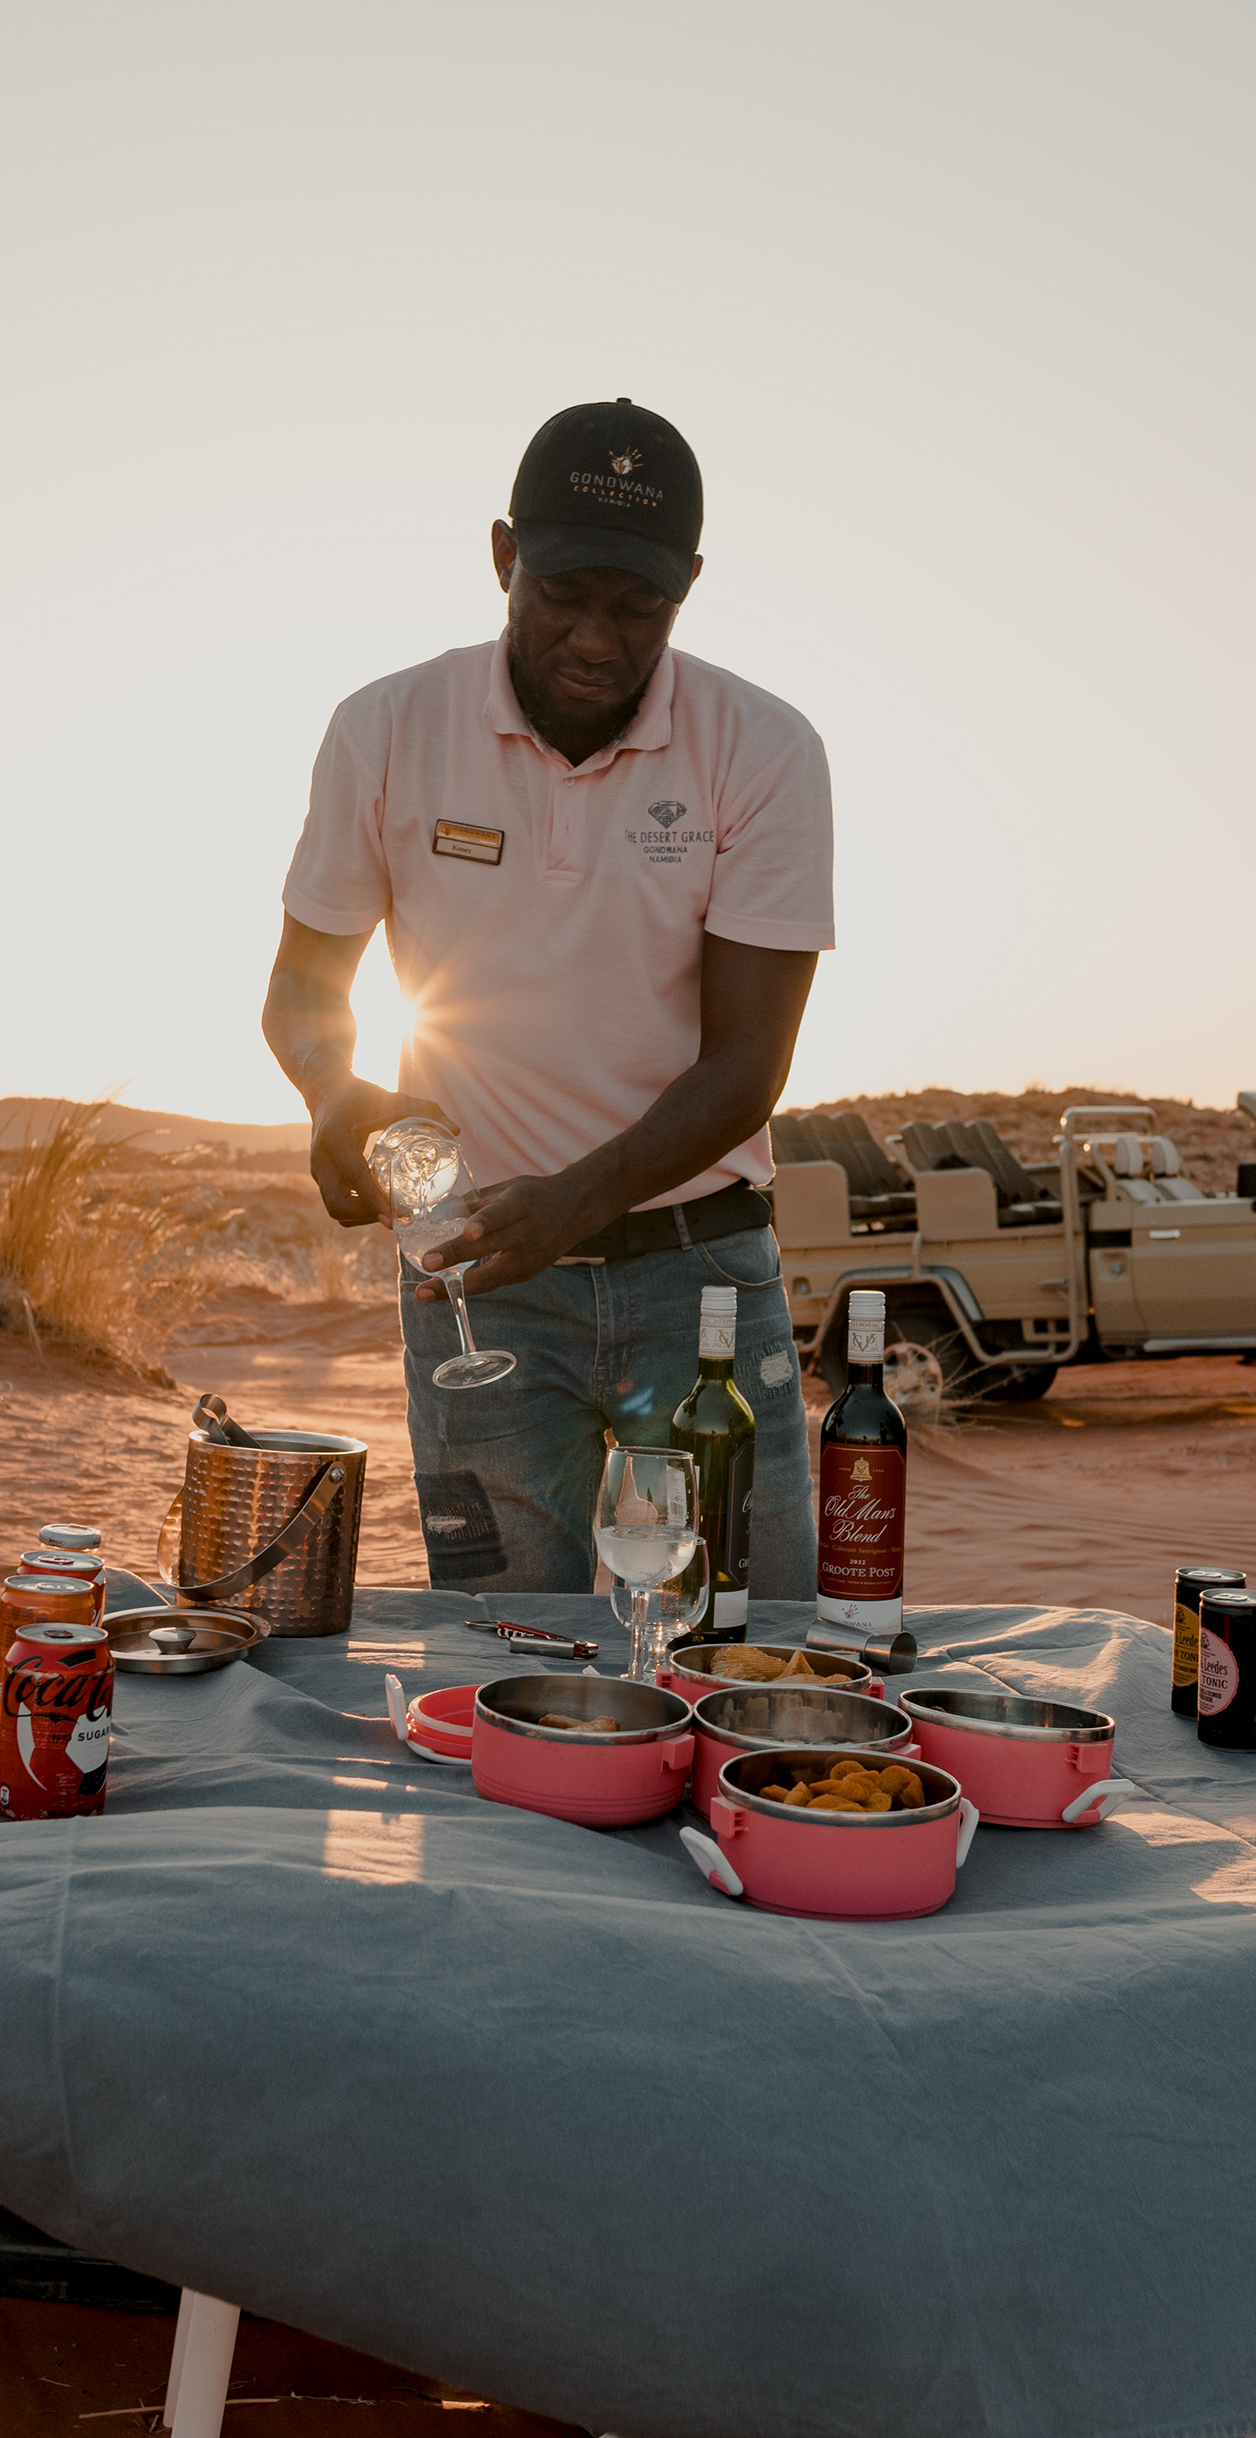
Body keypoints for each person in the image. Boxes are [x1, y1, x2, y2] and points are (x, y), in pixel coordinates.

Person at [262, 398, 831, 1597]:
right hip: (481, 1287)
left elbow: (748, 1066)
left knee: (748, 1639)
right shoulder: (386, 730)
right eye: (563, 594)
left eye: (639, 608)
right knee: (506, 1646)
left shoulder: (766, 749)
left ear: (689, 586)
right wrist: (330, 1094)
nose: (596, 640)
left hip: (705, 1277)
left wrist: (574, 1203)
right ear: (503, 557)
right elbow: (302, 995)